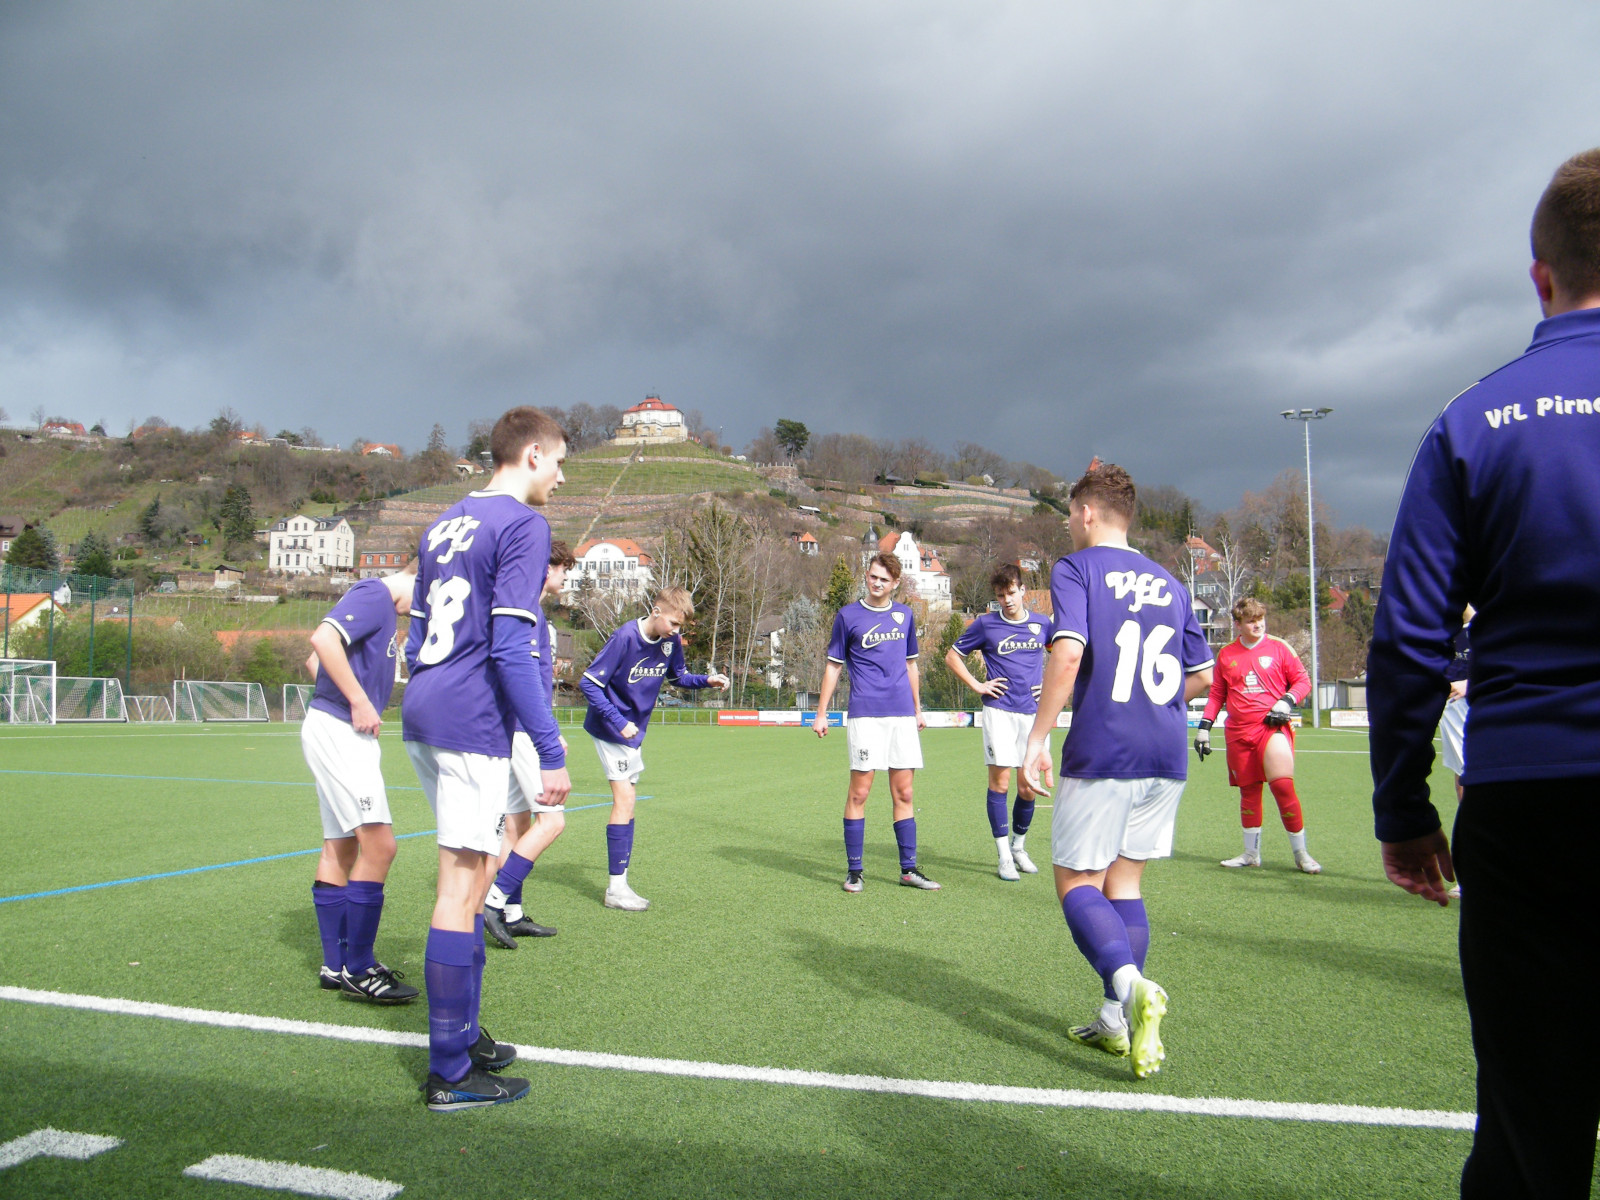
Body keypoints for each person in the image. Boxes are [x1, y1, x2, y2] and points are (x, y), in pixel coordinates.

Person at [1370, 147, 1600, 1197]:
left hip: (1528, 805)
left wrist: (1400, 809)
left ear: (1538, 275)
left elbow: (1409, 640)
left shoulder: (1474, 421)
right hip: (1529, 797)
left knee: (1528, 1127)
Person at [402, 406, 571, 1112]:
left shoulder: (443, 521)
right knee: (462, 889)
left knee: (468, 885)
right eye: (559, 461)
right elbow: (509, 648)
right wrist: (554, 751)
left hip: (423, 703)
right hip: (470, 716)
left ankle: (464, 1036)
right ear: (531, 454)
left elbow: (416, 630)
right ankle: (450, 1070)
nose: (561, 477)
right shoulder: (524, 524)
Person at [1022, 463, 1212, 1080]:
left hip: (1106, 748)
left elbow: (1069, 650)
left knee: (1076, 883)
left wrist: (1038, 735)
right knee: (1124, 886)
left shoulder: (1075, 569)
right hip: (1167, 753)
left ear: (1085, 513)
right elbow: (1204, 676)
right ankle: (1113, 1018)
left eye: (1070, 515)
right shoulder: (1171, 583)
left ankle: (1131, 987)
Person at [302, 562, 420, 1005]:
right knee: (380, 846)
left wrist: (345, 700)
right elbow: (321, 642)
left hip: (338, 728)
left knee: (340, 846)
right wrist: (356, 701)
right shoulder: (374, 593)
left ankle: (335, 966)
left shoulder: (386, 610)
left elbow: (314, 662)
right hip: (340, 731)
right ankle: (360, 967)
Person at [579, 587, 729, 911]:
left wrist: (708, 681)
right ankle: (615, 889)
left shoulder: (670, 642)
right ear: (657, 611)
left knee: (629, 803)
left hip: (634, 733)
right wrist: (618, 722)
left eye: (680, 627)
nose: (676, 631)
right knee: (625, 800)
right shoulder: (624, 638)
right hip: (611, 728)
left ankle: (621, 882)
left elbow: (679, 678)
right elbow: (589, 683)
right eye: (673, 624)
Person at [814, 552, 940, 893]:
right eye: (872, 576)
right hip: (865, 714)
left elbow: (912, 665)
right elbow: (833, 667)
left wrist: (917, 709)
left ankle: (909, 870)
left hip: (901, 714)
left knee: (904, 791)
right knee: (860, 792)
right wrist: (822, 712)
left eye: (884, 579)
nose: (876, 583)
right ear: (866, 576)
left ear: (895, 583)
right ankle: (855, 871)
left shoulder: (905, 615)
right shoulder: (848, 616)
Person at [483, 540, 577, 949]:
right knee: (552, 821)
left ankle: (513, 914)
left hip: (515, 730)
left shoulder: (531, 612)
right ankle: (494, 900)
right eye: (562, 570)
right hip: (521, 732)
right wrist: (547, 733)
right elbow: (525, 682)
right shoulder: (525, 613)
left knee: (517, 826)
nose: (565, 577)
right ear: (545, 568)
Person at [1195, 597, 1320, 873]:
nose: (1258, 624)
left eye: (1260, 618)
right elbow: (1217, 694)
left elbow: (1303, 681)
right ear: (1238, 624)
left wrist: (1285, 702)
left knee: (1282, 786)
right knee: (1249, 793)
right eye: (1251, 620)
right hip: (1238, 733)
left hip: (1270, 728)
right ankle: (1251, 854)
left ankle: (1301, 854)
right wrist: (1204, 728)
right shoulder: (1227, 654)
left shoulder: (1279, 648)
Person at [945, 563, 1053, 879]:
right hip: (999, 712)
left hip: (1034, 715)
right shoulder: (986, 625)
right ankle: (1004, 855)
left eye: (1011, 592)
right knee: (1001, 783)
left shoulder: (1043, 624)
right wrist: (978, 685)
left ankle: (1019, 847)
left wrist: (1048, 685)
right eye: (1000, 595)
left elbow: (1063, 658)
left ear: (1023, 590)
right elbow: (952, 656)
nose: (1006, 600)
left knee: (1028, 786)